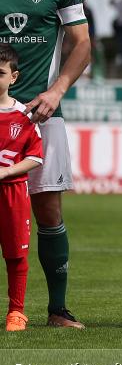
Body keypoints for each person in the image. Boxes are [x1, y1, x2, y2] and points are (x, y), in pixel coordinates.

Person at [0, 0, 91, 329]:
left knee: (49, 211)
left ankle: (58, 310)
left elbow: (82, 44)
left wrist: (57, 90)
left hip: (41, 117)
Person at [0, 45, 43, 331]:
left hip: (12, 193)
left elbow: (36, 157)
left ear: (13, 77)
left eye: (0, 73)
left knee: (16, 254)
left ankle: (16, 312)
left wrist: (6, 171)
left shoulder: (24, 116)